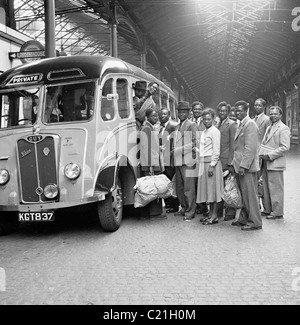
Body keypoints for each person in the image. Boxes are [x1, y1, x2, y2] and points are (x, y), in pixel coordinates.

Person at [230, 100, 262, 231]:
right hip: (239, 166)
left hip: (246, 168)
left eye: (240, 110)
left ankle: (255, 221)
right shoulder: (241, 124)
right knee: (244, 194)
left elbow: (251, 148)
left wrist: (243, 166)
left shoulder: (250, 125)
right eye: (236, 110)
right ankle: (244, 218)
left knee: (250, 195)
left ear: (246, 111)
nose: (237, 113)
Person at [259, 106, 290, 220]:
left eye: (275, 114)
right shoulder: (269, 127)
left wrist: (270, 155)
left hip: (275, 163)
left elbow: (285, 147)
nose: (272, 116)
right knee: (266, 187)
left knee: (276, 188)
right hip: (266, 162)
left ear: (280, 115)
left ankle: (277, 212)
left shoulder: (283, 128)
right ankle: (268, 209)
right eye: (271, 114)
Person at [195, 108, 224, 225]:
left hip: (212, 164)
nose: (206, 121)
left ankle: (214, 216)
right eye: (204, 119)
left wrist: (212, 165)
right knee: (209, 191)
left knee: (214, 191)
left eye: (209, 119)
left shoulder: (214, 131)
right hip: (204, 163)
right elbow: (204, 149)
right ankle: (211, 214)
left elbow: (216, 150)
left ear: (213, 119)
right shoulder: (204, 132)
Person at [139, 108, 166, 220]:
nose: (156, 118)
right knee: (153, 188)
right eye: (153, 116)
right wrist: (150, 166)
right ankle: (154, 213)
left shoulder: (150, 128)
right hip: (151, 164)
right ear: (147, 117)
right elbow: (145, 148)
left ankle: (154, 213)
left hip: (152, 162)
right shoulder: (147, 128)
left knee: (153, 188)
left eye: (156, 116)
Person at [173, 101, 198, 221]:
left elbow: (194, 142)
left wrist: (179, 150)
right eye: (179, 112)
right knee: (180, 187)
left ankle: (190, 211)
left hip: (187, 161)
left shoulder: (192, 125)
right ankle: (183, 208)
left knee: (189, 188)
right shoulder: (178, 126)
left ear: (188, 113)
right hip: (178, 161)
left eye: (184, 112)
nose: (181, 114)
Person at [215, 101, 238, 221]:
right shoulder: (218, 123)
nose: (222, 113)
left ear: (228, 112)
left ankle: (230, 212)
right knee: (220, 186)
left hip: (226, 161)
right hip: (218, 160)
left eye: (224, 111)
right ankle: (218, 211)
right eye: (220, 111)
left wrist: (230, 163)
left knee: (229, 187)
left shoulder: (232, 124)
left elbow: (233, 145)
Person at [158, 107, 179, 213]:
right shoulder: (160, 128)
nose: (162, 116)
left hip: (170, 158)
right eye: (161, 114)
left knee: (171, 181)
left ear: (169, 115)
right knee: (165, 180)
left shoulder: (173, 126)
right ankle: (168, 203)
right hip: (163, 159)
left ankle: (174, 205)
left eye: (164, 114)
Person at [191, 101, 208, 216]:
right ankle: (197, 205)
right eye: (195, 109)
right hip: (192, 156)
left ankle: (204, 206)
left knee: (203, 181)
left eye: (199, 109)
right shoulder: (190, 122)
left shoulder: (206, 122)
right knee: (194, 181)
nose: (197, 111)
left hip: (203, 155)